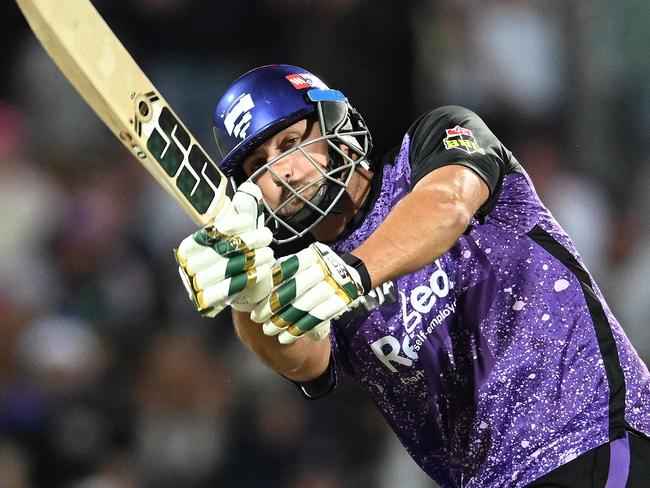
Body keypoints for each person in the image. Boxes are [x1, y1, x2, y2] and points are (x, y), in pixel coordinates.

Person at [174, 64, 650, 487]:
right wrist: (248, 294)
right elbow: (302, 358)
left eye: (292, 143)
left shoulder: (436, 139)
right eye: (259, 166)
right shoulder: (306, 269)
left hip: (593, 435)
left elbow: (447, 206)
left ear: (336, 128)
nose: (284, 174)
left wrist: (350, 273)